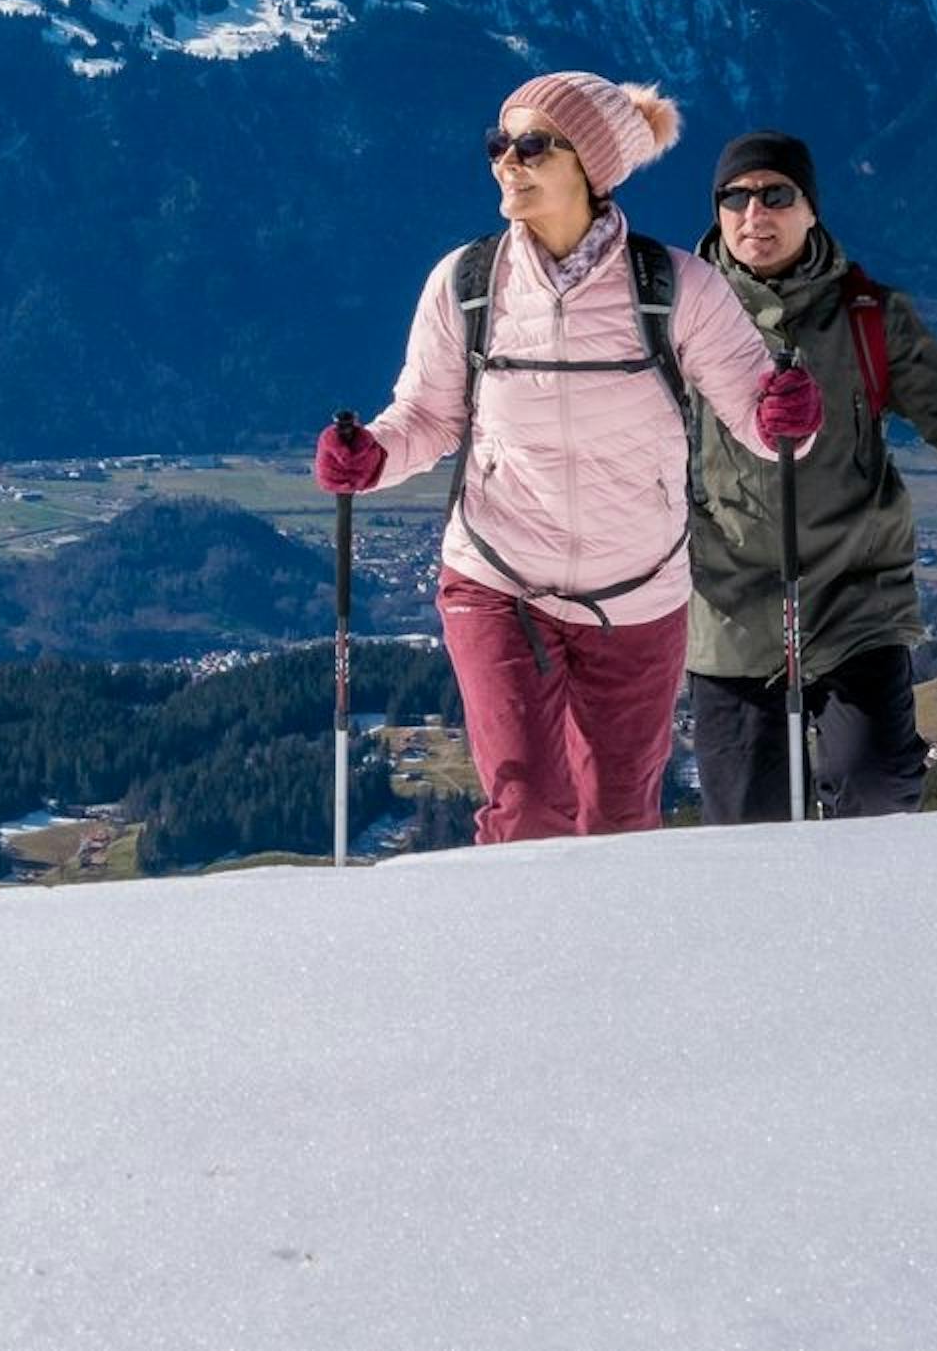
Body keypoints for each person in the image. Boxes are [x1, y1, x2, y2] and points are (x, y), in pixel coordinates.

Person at [314, 73, 820, 842]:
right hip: (498, 574)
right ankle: (516, 962)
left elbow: (763, 420)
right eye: (498, 143)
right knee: (527, 809)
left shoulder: (676, 286)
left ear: (592, 163)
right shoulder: (468, 282)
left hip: (640, 591)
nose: (504, 161)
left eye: (530, 145)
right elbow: (425, 414)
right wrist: (371, 456)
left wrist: (788, 415)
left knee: (619, 820)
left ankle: (606, 964)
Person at [682, 129, 937, 822]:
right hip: (727, 609)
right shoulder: (678, 319)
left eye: (777, 195)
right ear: (716, 211)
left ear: (812, 210)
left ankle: (869, 925)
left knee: (878, 787)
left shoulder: (870, 315)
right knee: (749, 836)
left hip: (855, 596)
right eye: (737, 197)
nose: (757, 214)